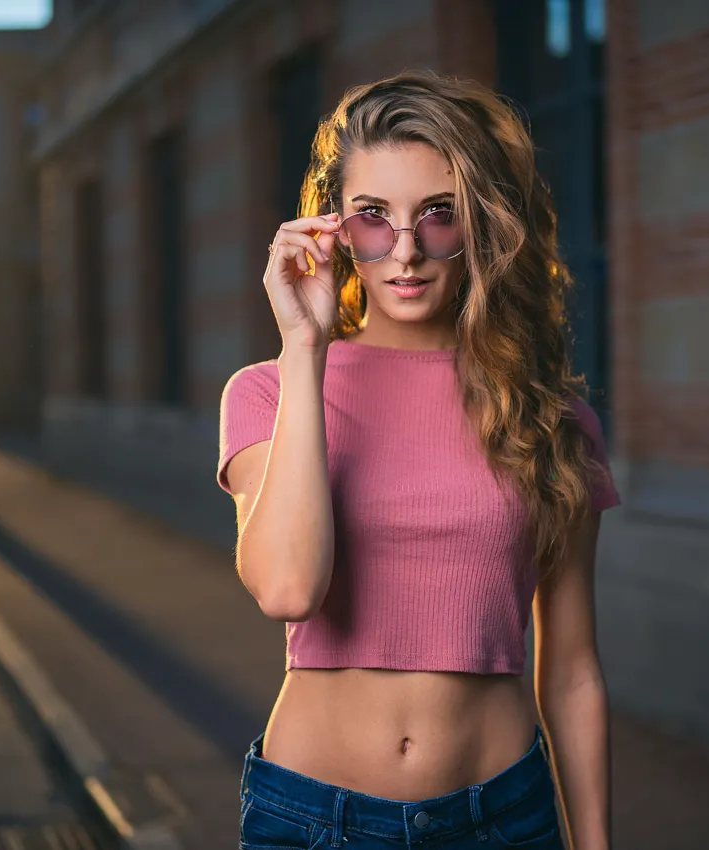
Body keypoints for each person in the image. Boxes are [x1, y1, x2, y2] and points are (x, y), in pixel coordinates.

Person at [216, 70, 620, 850]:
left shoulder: (551, 418)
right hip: (312, 819)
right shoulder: (268, 393)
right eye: (373, 218)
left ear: (481, 223)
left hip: (502, 819)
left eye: (438, 214)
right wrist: (307, 346)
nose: (406, 251)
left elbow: (571, 671)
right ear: (332, 228)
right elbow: (290, 587)